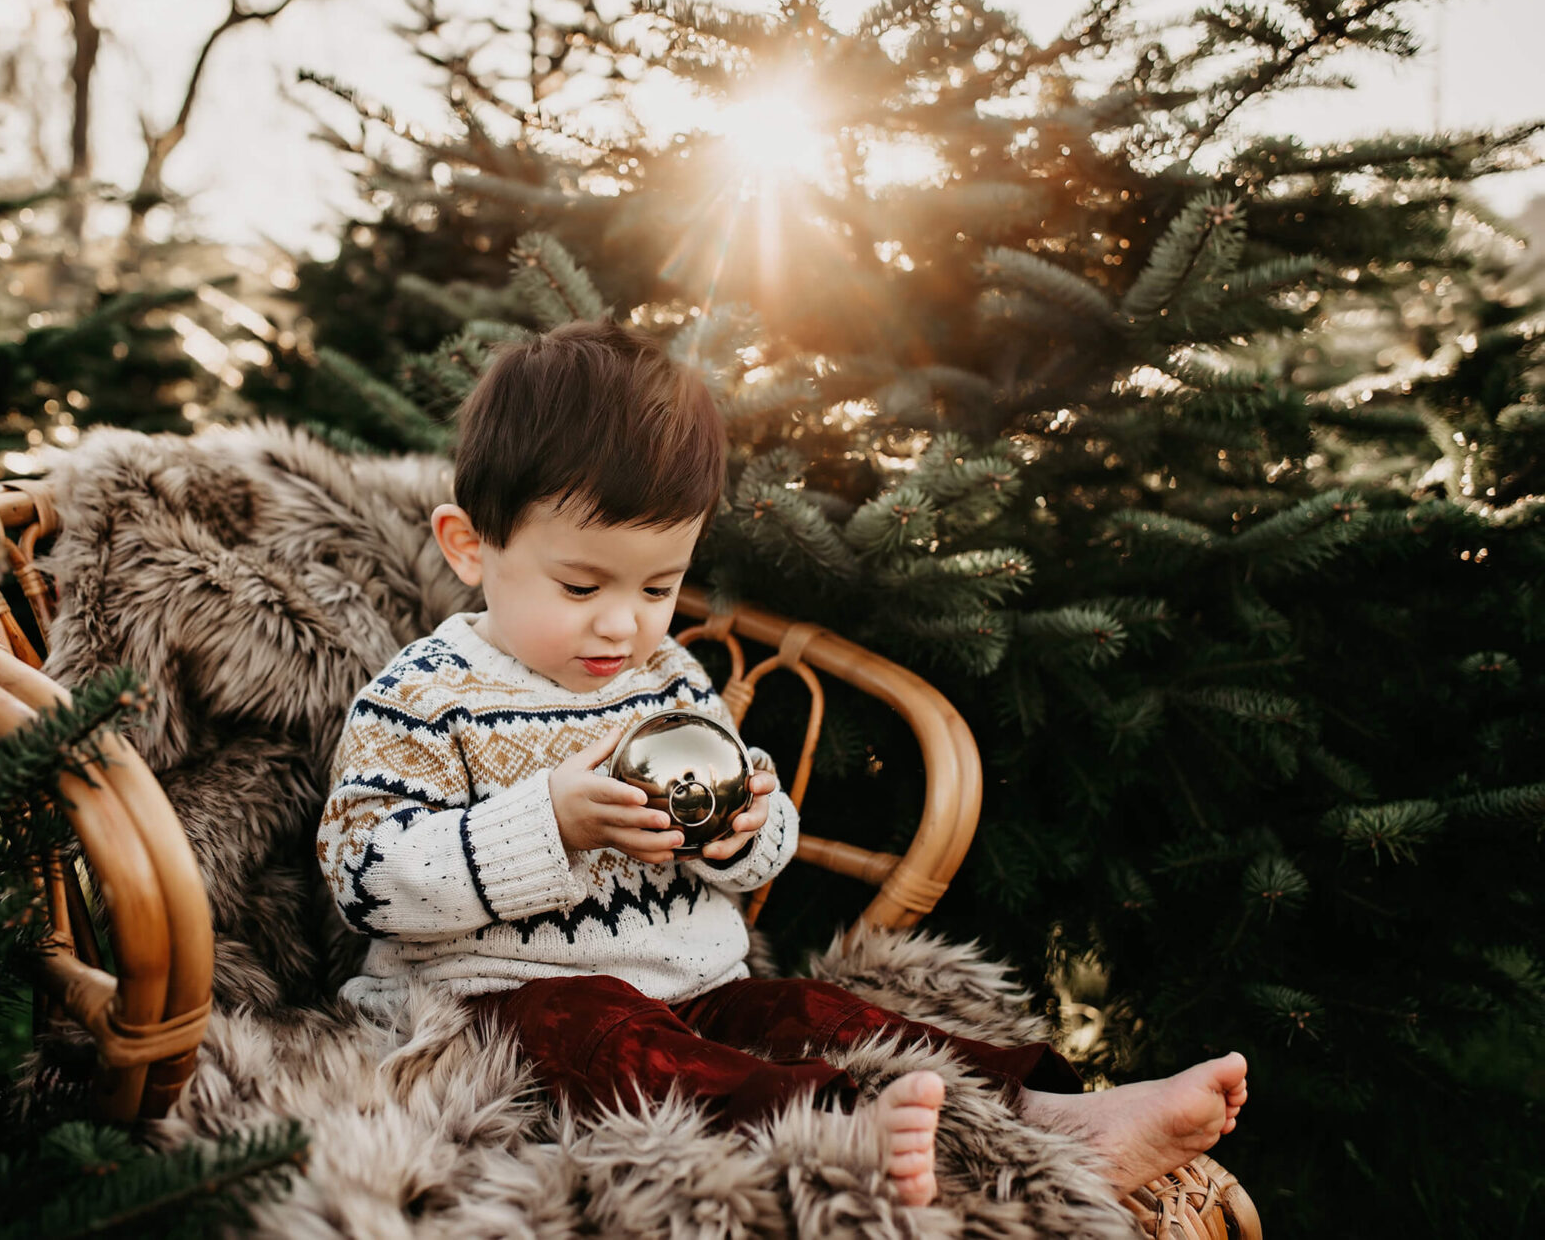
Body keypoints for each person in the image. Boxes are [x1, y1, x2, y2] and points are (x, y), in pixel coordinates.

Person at [315, 317, 1247, 1207]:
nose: (623, 622)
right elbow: (363, 876)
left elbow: (747, 851)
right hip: (491, 1015)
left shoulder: (666, 676)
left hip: (699, 990)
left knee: (818, 1011)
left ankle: (1048, 1113)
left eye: (660, 586)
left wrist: (747, 826)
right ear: (470, 547)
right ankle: (839, 1136)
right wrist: (546, 822)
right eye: (581, 585)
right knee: (598, 1028)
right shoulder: (425, 694)